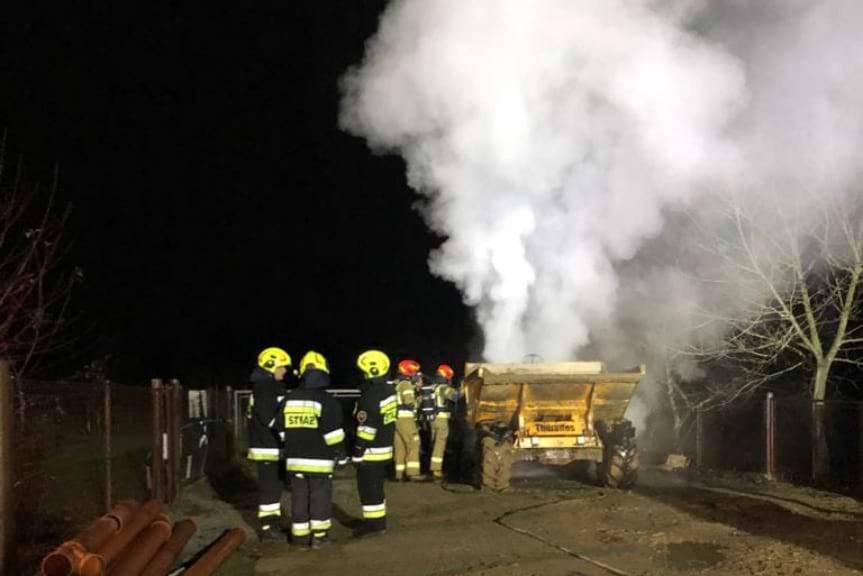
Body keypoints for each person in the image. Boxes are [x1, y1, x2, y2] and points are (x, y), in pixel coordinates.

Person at [278, 351, 346, 549]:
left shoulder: (289, 398)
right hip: (320, 459)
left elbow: (281, 428)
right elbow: (333, 434)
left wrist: (292, 443)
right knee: (320, 497)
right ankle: (320, 536)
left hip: (295, 459)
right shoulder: (326, 401)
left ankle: (299, 538)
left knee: (299, 496)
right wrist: (340, 455)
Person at [247, 347, 291, 539]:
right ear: (271, 366)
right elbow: (268, 417)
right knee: (270, 488)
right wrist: (286, 435)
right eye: (282, 367)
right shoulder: (266, 387)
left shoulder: (266, 385)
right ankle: (267, 528)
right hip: (268, 446)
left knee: (275, 486)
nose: (285, 371)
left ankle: (273, 522)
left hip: (270, 445)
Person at [353, 350, 397, 536]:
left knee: (369, 489)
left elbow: (367, 427)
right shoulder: (389, 390)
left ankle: (374, 526)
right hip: (385, 447)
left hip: (371, 451)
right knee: (377, 487)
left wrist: (357, 450)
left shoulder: (370, 395)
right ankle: (379, 521)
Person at [393, 359, 423, 481]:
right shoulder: (406, 385)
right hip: (406, 419)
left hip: (396, 419)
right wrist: (418, 393)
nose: (417, 375)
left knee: (399, 446)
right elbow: (410, 404)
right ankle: (413, 473)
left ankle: (399, 474)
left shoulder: (397, 384)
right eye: (415, 372)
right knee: (414, 443)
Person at [429, 364, 459, 482]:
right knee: (439, 445)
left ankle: (433, 468)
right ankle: (436, 471)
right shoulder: (443, 388)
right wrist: (464, 387)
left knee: (434, 443)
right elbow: (455, 396)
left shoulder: (432, 387)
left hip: (432, 420)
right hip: (441, 420)